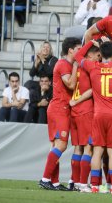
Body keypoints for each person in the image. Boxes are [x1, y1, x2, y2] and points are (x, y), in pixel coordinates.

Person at [74, 39, 112, 194]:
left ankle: (95, 185)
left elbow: (78, 56)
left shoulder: (93, 66)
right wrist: (111, 45)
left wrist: (91, 43)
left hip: (99, 114)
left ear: (101, 54)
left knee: (97, 151)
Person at [39, 37, 81, 191]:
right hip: (59, 108)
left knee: (56, 146)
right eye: (78, 49)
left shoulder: (67, 64)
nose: (79, 51)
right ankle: (45, 178)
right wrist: (76, 67)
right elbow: (70, 83)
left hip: (60, 108)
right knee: (61, 144)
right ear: (70, 50)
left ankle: (54, 182)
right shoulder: (63, 64)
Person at [70, 44, 100, 192]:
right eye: (97, 56)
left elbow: (78, 56)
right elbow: (91, 90)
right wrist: (78, 100)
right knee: (88, 148)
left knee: (78, 148)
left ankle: (74, 182)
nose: (99, 59)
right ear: (89, 57)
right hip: (85, 110)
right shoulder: (91, 67)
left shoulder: (78, 66)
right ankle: (82, 184)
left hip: (74, 111)